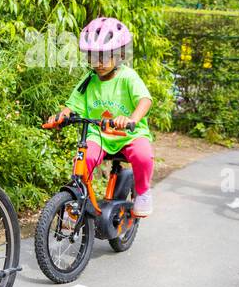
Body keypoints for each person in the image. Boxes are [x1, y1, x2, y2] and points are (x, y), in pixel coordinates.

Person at [46, 17, 156, 217]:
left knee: (143, 156)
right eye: (93, 56)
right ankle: (79, 198)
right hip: (100, 135)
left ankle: (142, 192)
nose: (99, 63)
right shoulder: (89, 80)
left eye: (105, 56)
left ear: (119, 55)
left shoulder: (128, 77)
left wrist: (131, 118)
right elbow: (72, 105)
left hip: (130, 134)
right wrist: (61, 116)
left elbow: (145, 100)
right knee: (83, 157)